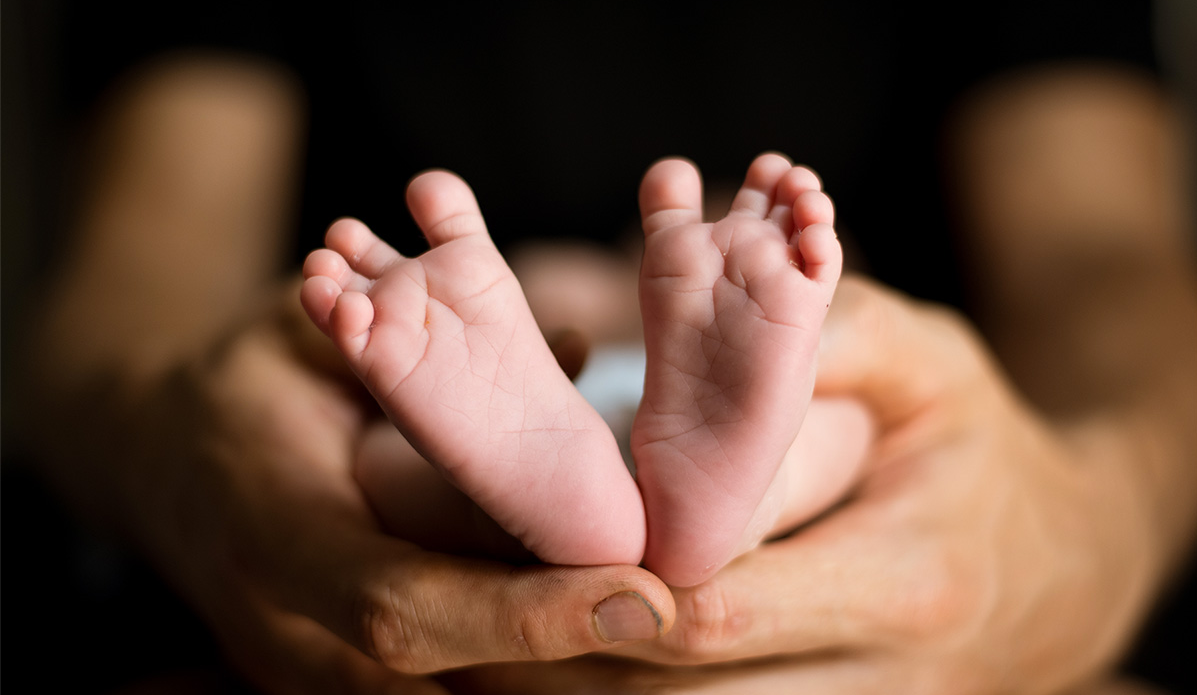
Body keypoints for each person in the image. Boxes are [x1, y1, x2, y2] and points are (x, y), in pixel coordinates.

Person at [5, 0, 1196, 695]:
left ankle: (558, 472)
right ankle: (715, 477)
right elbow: (134, 286)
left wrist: (1110, 498)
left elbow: (1099, 258)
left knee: (404, 460)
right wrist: (178, 442)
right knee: (822, 429)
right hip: (452, 534)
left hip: (598, 436)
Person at [301, 154, 846, 587]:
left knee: (379, 454)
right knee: (842, 423)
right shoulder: (615, 306)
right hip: (601, 405)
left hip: (577, 411)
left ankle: (512, 519)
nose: (717, 252)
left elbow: (550, 287)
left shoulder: (597, 296)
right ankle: (760, 503)